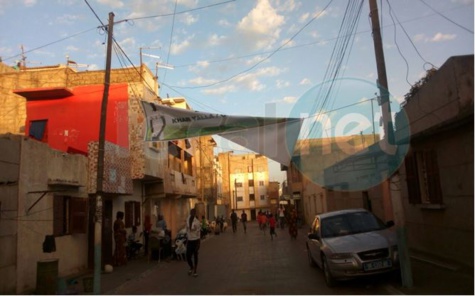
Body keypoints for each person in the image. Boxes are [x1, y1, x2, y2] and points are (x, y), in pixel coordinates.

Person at [186, 208, 201, 277]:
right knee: (188, 256)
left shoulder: (197, 222)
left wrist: (198, 243)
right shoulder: (187, 219)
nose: (191, 213)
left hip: (195, 240)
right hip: (189, 240)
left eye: (193, 212)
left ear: (194, 214)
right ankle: (191, 267)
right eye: (191, 212)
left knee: (195, 256)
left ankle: (195, 270)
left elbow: (199, 233)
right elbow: (187, 229)